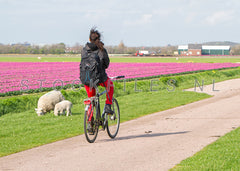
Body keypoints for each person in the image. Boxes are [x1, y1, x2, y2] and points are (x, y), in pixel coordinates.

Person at [81, 28, 114, 115]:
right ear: (99, 39)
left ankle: (90, 122)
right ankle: (108, 106)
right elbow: (106, 64)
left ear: (89, 39)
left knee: (91, 98)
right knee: (110, 86)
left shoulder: (84, 50)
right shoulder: (101, 49)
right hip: (99, 78)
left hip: (86, 79)